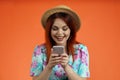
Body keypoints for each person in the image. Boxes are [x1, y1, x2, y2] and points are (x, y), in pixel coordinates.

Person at [30, 5, 90, 80]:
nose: (60, 33)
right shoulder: (40, 51)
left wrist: (66, 66)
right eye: (55, 29)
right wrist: (49, 66)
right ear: (49, 31)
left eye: (64, 29)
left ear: (71, 31)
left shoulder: (81, 50)